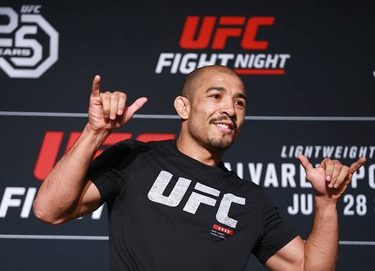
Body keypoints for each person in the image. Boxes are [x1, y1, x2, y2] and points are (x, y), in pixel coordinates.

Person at [33, 65, 366, 271]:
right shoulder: (135, 158)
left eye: (239, 102)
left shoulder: (250, 200)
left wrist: (327, 203)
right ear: (184, 107)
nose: (230, 110)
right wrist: (95, 133)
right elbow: (50, 210)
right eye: (216, 96)